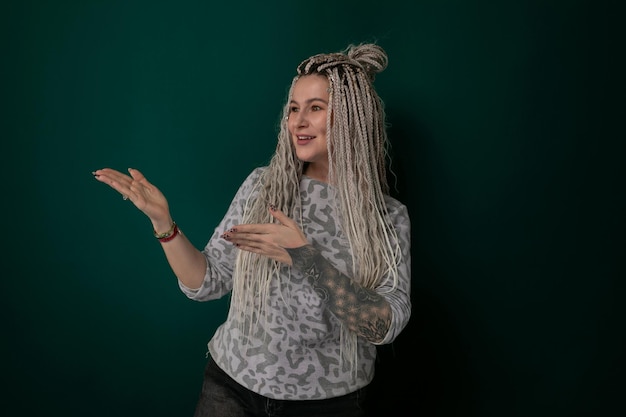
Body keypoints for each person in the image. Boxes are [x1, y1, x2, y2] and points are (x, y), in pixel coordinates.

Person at [93, 42, 411, 417]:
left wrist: (306, 257)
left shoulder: (386, 216)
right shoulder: (263, 187)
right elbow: (208, 280)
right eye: (293, 109)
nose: (298, 121)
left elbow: (382, 326)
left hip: (327, 404)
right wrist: (164, 224)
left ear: (352, 117)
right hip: (229, 389)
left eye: (315, 108)